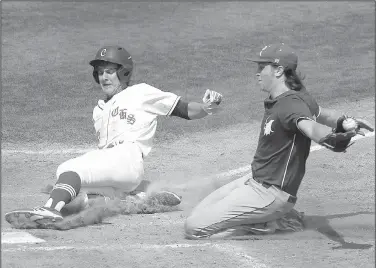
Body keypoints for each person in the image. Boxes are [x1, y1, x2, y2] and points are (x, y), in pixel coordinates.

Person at [5, 45, 223, 229]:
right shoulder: (98, 110)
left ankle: (49, 210)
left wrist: (206, 107)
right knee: (79, 196)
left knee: (68, 170)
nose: (104, 77)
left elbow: (184, 110)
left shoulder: (140, 93)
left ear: (123, 73)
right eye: (100, 72)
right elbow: (104, 157)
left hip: (128, 156)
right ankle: (139, 198)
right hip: (117, 167)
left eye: (110, 71)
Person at [184, 43, 374, 239]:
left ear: (279, 70)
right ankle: (268, 216)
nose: (256, 73)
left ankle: (275, 222)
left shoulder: (290, 105)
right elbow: (322, 114)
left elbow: (308, 126)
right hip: (253, 181)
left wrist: (328, 137)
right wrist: (345, 120)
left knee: (195, 227)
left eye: (261, 67)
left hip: (270, 195)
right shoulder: (294, 98)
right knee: (198, 213)